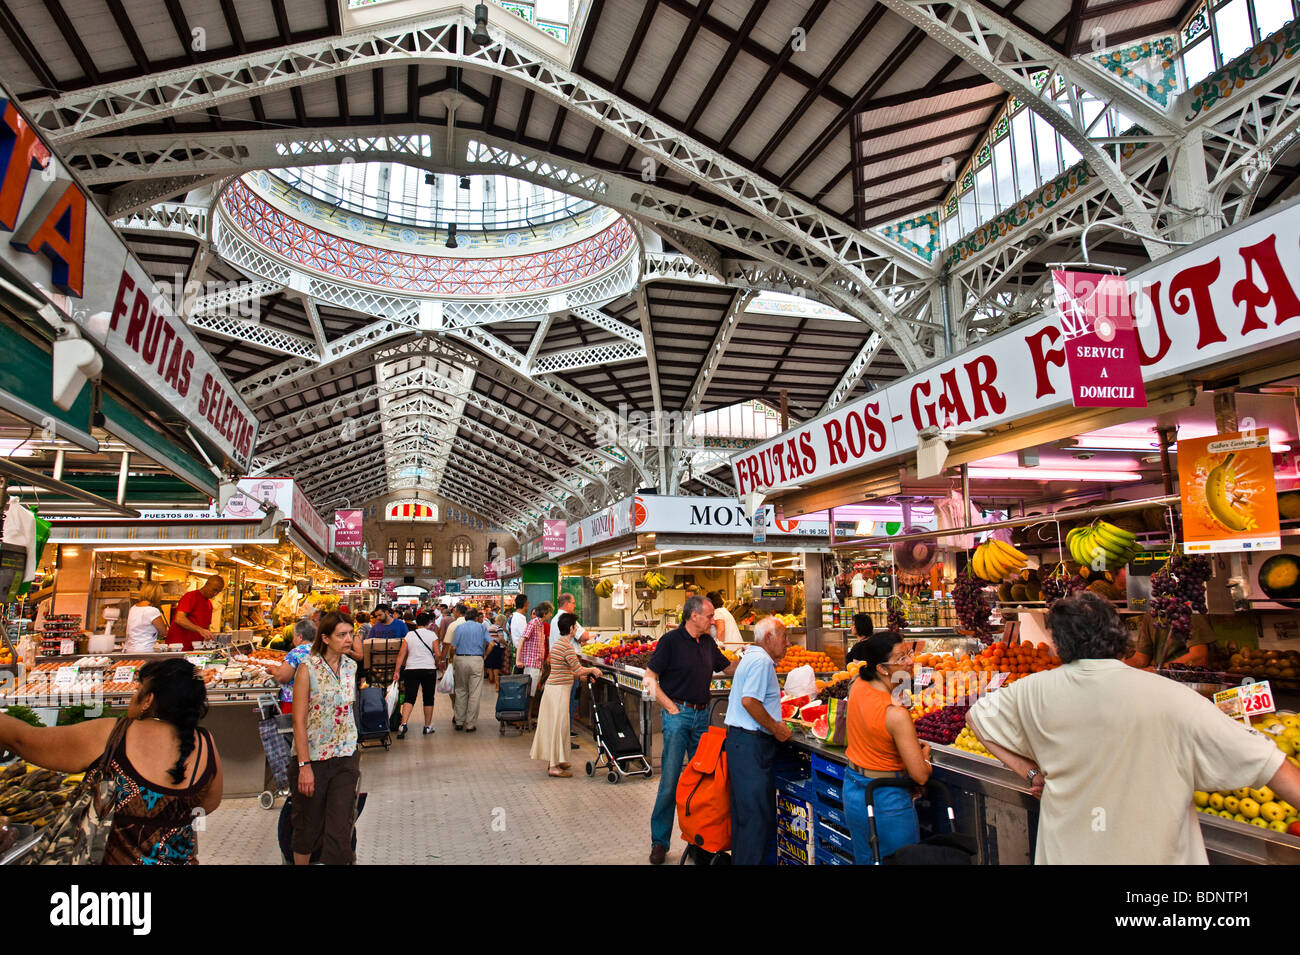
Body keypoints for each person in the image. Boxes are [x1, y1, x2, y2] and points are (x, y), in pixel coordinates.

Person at [968, 591, 1300, 863]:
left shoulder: (1033, 690)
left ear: (1059, 644)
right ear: (1118, 636)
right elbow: (1270, 764)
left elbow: (977, 717)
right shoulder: (1171, 696)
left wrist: (1029, 773)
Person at [0, 658, 222, 864]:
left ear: (149, 700)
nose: (132, 696)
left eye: (138, 690)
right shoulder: (205, 743)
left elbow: (22, 740)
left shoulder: (112, 736)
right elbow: (208, 804)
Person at [644, 595, 738, 865]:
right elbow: (650, 679)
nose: (713, 621)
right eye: (709, 616)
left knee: (704, 784)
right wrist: (670, 708)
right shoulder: (670, 642)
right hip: (678, 716)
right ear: (693, 616)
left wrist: (756, 663)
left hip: (702, 718)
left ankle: (701, 842)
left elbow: (727, 667)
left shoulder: (707, 642)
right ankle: (659, 842)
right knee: (670, 782)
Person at [841, 630, 931, 863]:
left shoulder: (858, 685)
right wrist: (925, 759)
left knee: (865, 858)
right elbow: (920, 775)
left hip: (853, 791)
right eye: (901, 659)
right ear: (882, 668)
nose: (911, 662)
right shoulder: (895, 715)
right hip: (887, 799)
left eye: (909, 653)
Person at [290, 611, 360, 865]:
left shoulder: (351, 667)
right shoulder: (307, 669)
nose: (349, 639)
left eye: (351, 634)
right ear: (326, 638)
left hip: (345, 757)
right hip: (314, 757)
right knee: (308, 826)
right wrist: (304, 766)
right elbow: (299, 720)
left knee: (340, 828)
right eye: (342, 635)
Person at [723, 617, 792, 864]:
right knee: (755, 818)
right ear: (768, 638)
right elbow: (750, 701)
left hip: (741, 743)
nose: (788, 642)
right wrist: (776, 728)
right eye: (784, 636)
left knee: (746, 816)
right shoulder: (762, 661)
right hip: (752, 745)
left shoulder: (752, 657)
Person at [531, 613, 602, 777]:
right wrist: (592, 670)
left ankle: (558, 760)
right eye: (575, 626)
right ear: (570, 628)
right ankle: (553, 767)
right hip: (559, 691)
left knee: (557, 726)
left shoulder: (557, 644)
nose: (576, 629)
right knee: (558, 727)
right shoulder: (567, 647)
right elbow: (577, 669)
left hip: (554, 689)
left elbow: (566, 670)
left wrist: (579, 676)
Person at [447, 608, 497, 732]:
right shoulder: (481, 628)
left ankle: (459, 721)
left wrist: (451, 659)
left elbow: (453, 647)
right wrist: (485, 655)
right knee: (474, 693)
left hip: (461, 659)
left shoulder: (459, 628)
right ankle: (470, 724)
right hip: (476, 660)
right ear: (476, 618)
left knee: (460, 690)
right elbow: (491, 644)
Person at [394, 611, 442, 738]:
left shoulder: (409, 635)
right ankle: (427, 726)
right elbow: (438, 654)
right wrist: (436, 663)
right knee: (428, 698)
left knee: (410, 697)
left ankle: (403, 724)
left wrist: (397, 671)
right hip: (428, 669)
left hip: (411, 669)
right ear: (428, 623)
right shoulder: (432, 635)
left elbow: (401, 654)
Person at [1125, 613, 1215, 669]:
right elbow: (1140, 659)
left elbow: (1199, 657)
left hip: (1186, 685)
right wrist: (1117, 667)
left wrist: (1158, 671)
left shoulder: (1189, 610)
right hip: (1161, 683)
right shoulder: (1151, 614)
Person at [167, 574, 224, 650]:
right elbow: (179, 619)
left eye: (218, 592)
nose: (215, 594)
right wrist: (200, 630)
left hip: (194, 650)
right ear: (207, 584)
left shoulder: (209, 605)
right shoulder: (191, 596)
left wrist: (209, 637)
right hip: (178, 649)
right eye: (214, 590)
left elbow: (206, 627)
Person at [273, 618, 317, 714]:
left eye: (294, 636)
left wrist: (272, 670)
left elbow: (283, 677)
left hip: (295, 703)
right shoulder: (321, 650)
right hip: (317, 702)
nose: (293, 640)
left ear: (300, 637)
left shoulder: (297, 652)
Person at [517, 603, 552, 712]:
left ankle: (528, 716)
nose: (551, 615)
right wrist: (518, 660)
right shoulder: (533, 623)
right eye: (550, 612)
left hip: (537, 664)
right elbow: (522, 640)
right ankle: (525, 716)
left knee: (533, 693)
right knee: (529, 693)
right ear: (545, 613)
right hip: (531, 664)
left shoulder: (541, 625)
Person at [124, 581, 167, 653]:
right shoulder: (152, 611)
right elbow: (163, 632)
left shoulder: (133, 608)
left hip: (129, 649)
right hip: (145, 650)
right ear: (157, 595)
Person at [484, 610, 506, 689]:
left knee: (490, 664)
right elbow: (500, 638)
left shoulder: (490, 627)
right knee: (496, 666)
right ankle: (497, 684)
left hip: (490, 647)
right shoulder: (499, 628)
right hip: (497, 648)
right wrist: (506, 644)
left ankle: (491, 679)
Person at [509, 594, 530, 672]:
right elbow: (525, 637)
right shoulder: (519, 618)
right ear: (525, 604)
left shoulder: (518, 617)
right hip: (521, 654)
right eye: (528, 603)